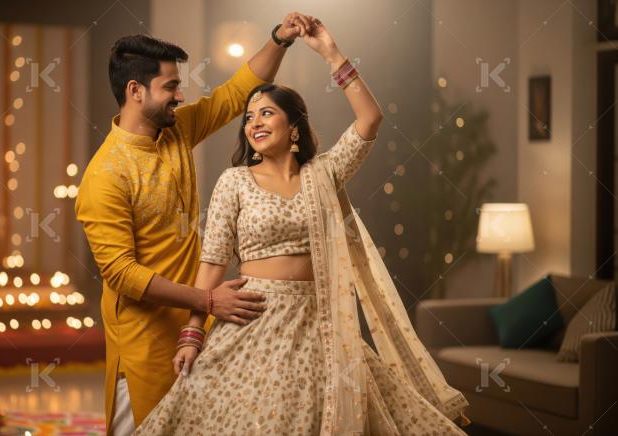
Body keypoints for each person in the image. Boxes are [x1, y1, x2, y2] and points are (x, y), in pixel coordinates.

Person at [135, 19, 470, 435]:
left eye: (267, 113)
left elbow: (370, 119)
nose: (254, 122)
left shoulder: (323, 174)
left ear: (293, 126)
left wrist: (330, 52)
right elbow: (213, 263)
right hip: (252, 320)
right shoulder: (234, 181)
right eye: (249, 116)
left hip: (320, 325)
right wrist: (192, 335)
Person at [76, 13, 318, 436]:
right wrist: (207, 300)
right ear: (135, 91)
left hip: (199, 326)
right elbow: (121, 273)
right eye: (170, 86)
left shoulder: (175, 132)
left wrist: (280, 38)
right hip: (145, 340)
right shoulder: (105, 175)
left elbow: (235, 93)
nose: (180, 95)